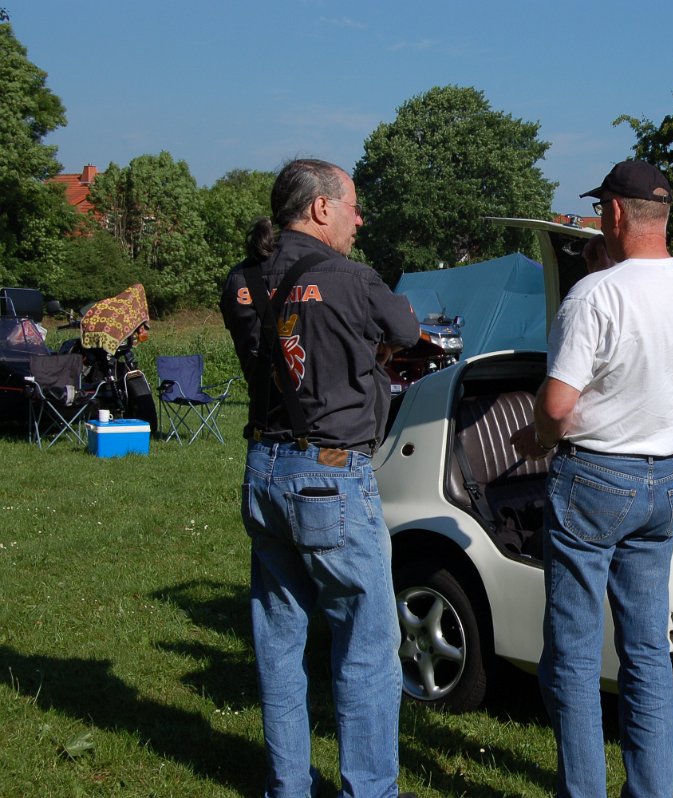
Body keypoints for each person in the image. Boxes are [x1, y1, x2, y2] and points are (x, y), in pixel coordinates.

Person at [220, 158, 420, 798]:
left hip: (265, 471)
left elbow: (276, 349)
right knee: (365, 642)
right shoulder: (351, 276)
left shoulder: (243, 279)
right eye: (353, 206)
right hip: (331, 475)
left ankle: (289, 787)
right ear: (321, 208)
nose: (360, 219)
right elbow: (408, 331)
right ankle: (370, 790)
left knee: (279, 643)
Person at [510, 160, 673, 797]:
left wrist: (534, 437)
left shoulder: (595, 294)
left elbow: (557, 406)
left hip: (596, 478)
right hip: (668, 482)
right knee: (647, 652)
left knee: (572, 654)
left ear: (617, 214)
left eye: (601, 209)